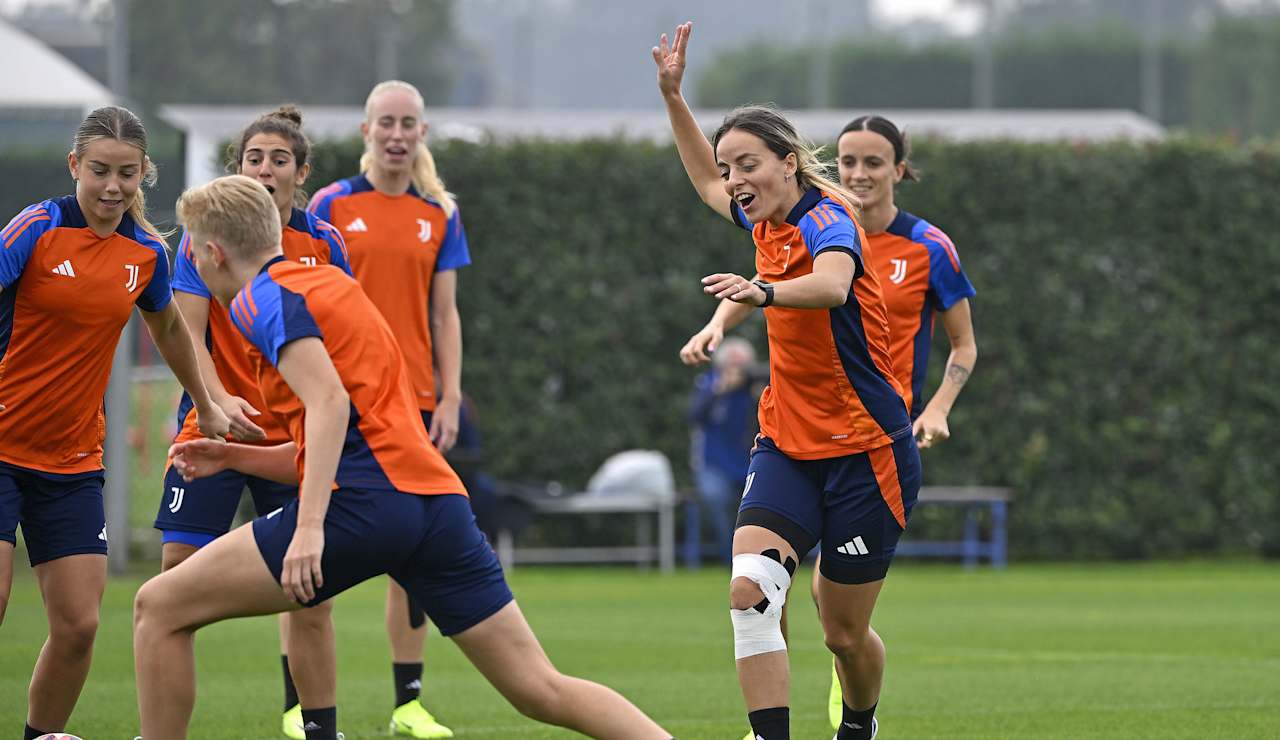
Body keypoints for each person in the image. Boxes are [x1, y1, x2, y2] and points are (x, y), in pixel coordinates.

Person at [132, 174, 673, 740]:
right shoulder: (335, 285)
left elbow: (330, 404)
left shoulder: (257, 300)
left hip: (365, 504)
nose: (189, 257)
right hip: (435, 504)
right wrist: (236, 459)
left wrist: (309, 528)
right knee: (540, 689)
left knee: (158, 608)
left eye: (191, 246)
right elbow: (353, 431)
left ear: (213, 253)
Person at [655, 23, 922, 740]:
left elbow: (833, 287)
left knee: (842, 635)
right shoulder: (758, 218)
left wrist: (758, 296)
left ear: (789, 164)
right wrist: (673, 97)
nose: (735, 181)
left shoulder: (830, 219)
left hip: (869, 454)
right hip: (786, 445)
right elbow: (703, 179)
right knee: (750, 594)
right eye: (730, 167)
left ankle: (857, 724)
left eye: (748, 165)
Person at [0, 105, 230, 740]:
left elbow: (172, 331)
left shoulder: (145, 254)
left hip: (72, 461)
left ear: (143, 176)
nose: (112, 187)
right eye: (99, 170)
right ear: (75, 165)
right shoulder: (37, 228)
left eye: (127, 174)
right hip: (0, 448)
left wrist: (207, 405)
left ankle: (40, 736)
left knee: (79, 627)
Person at [150, 105, 353, 739]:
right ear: (239, 169)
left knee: (310, 586)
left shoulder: (324, 242)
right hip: (212, 429)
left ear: (302, 173)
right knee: (173, 586)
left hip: (290, 436)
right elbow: (187, 333)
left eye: (279, 160)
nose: (265, 170)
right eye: (253, 159)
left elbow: (338, 341)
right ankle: (160, 728)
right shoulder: (199, 238)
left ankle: (319, 727)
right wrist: (212, 405)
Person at [308, 79, 467, 739]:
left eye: (409, 123)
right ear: (365, 130)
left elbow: (445, 313)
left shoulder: (439, 212)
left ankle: (408, 704)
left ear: (422, 133)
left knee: (413, 552)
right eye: (387, 122)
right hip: (337, 398)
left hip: (416, 404)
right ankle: (304, 707)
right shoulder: (331, 204)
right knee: (314, 539)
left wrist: (451, 395)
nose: (398, 134)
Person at [817, 114, 979, 730]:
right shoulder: (818, 230)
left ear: (900, 170)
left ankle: (856, 713)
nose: (858, 174)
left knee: (839, 623)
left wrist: (936, 409)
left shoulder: (928, 248)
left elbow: (964, 346)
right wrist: (719, 324)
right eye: (848, 161)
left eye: (873, 162)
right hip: (812, 436)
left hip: (882, 443)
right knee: (789, 592)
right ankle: (800, 706)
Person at [685, 337, 760, 567]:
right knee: (716, 498)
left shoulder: (756, 388)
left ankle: (758, 557)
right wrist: (720, 389)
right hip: (714, 464)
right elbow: (693, 415)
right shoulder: (709, 383)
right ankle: (731, 557)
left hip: (750, 461)